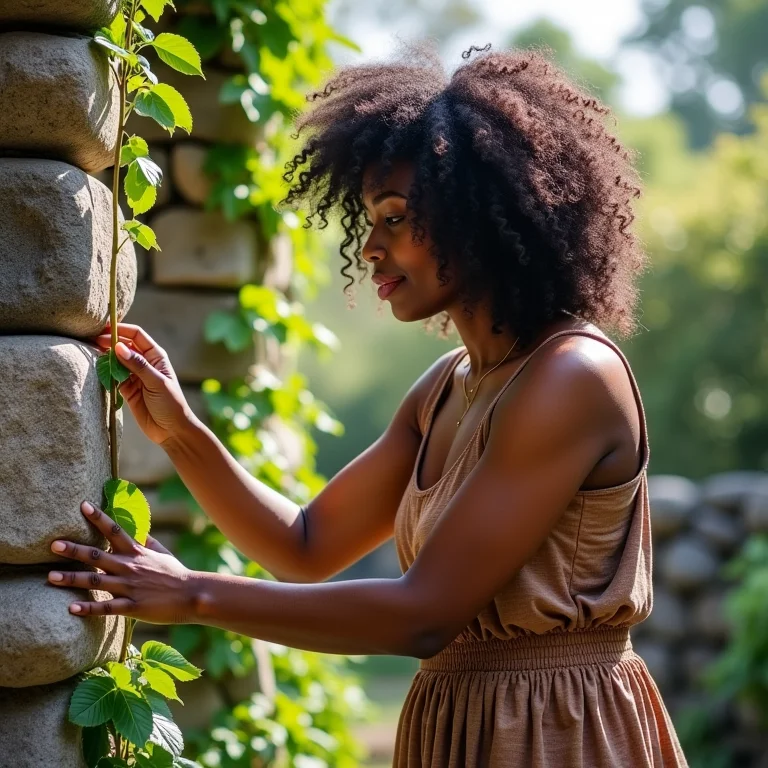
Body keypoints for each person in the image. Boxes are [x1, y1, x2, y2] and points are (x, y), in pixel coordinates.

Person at [47, 45, 688, 767]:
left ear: (477, 213)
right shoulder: (447, 387)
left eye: (394, 218)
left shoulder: (572, 376)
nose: (371, 249)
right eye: (367, 221)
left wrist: (193, 593)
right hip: (455, 726)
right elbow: (307, 545)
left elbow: (423, 616)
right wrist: (179, 432)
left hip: (557, 733)